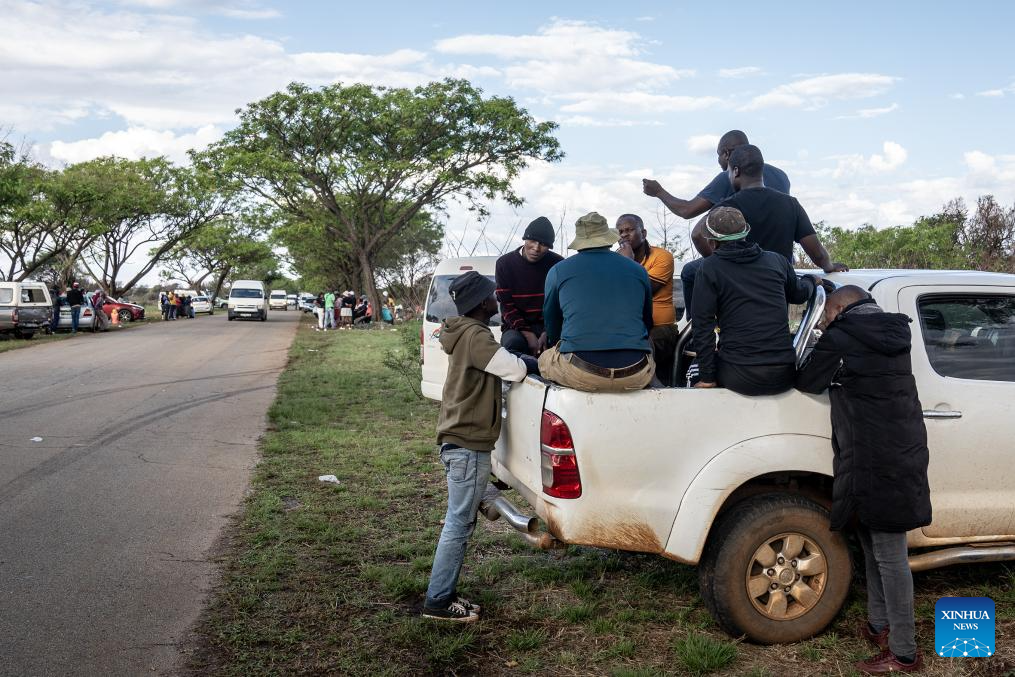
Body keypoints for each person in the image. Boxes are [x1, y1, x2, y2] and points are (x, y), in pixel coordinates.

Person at [796, 286, 931, 674]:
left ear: (839, 309)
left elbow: (807, 380)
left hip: (873, 455)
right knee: (873, 540)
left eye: (824, 314)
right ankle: (878, 625)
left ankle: (905, 652)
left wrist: (820, 341)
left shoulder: (841, 337)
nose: (822, 320)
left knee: (889, 554)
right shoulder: (895, 333)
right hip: (900, 449)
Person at [423, 271, 538, 622]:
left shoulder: (462, 333)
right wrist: (540, 362)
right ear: (480, 304)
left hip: (457, 439)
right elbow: (514, 370)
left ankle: (444, 594)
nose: (497, 301)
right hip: (467, 443)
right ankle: (439, 601)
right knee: (458, 524)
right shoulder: (476, 336)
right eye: (492, 297)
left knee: (459, 521)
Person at [682, 144, 847, 316]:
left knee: (689, 272)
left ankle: (695, 328)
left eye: (728, 172)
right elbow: (817, 253)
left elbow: (697, 234)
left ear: (736, 171)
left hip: (739, 295)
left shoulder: (729, 206)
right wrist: (829, 266)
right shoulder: (790, 204)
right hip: (778, 292)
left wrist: (722, 265)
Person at [691, 206, 816, 395]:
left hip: (740, 375)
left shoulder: (709, 268)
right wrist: (811, 281)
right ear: (745, 233)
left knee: (692, 369)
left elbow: (702, 326)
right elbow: (799, 294)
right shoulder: (778, 261)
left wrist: (707, 377)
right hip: (784, 373)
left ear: (711, 241)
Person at [540, 212, 655, 392]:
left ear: (580, 242)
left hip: (581, 371)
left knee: (544, 360)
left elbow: (552, 324)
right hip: (635, 372)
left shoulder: (558, 271)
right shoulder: (638, 270)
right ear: (608, 239)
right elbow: (647, 323)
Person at [642, 129, 790, 221]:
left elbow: (687, 210)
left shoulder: (730, 177)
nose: (718, 161)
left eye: (718, 155)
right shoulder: (781, 176)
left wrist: (659, 192)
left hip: (746, 260)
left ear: (726, 154)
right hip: (781, 262)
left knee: (689, 271)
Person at [617, 214, 678, 385]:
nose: (623, 235)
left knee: (640, 345)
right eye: (620, 232)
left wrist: (628, 262)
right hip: (628, 326)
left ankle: (654, 384)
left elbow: (643, 290)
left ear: (643, 233)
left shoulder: (662, 256)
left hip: (660, 327)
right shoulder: (616, 260)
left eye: (629, 230)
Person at [495, 216, 564, 356]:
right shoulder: (504, 264)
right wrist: (527, 334)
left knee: (560, 349)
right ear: (525, 239)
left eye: (543, 244)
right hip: (516, 327)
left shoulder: (558, 264)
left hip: (549, 325)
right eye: (532, 241)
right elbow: (506, 306)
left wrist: (548, 332)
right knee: (512, 346)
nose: (536, 248)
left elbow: (561, 304)